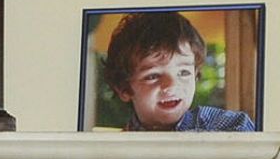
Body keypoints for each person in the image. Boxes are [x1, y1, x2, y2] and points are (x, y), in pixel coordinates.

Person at [102, 10, 256, 131]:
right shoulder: (117, 148)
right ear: (124, 89)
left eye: (183, 72)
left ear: (195, 76)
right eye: (153, 76)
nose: (171, 85)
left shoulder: (218, 125)